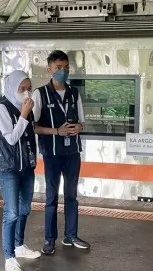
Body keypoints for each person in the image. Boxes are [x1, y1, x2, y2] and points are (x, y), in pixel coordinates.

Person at [32, 50, 90, 255]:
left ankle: (71, 235)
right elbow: (34, 126)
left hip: (73, 152)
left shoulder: (74, 93)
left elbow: (82, 121)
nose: (63, 72)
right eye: (58, 68)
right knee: (51, 197)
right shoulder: (40, 94)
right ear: (49, 69)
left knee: (72, 196)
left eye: (66, 68)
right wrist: (57, 131)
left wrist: (78, 128)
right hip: (52, 153)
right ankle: (49, 239)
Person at [0, 70, 42, 271]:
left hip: (27, 167)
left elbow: (31, 135)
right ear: (12, 89)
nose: (26, 92)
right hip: (9, 168)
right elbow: (11, 139)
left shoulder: (28, 109)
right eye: (22, 89)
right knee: (11, 212)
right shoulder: (2, 109)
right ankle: (9, 256)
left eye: (29, 88)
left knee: (24, 209)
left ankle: (19, 245)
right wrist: (23, 115)